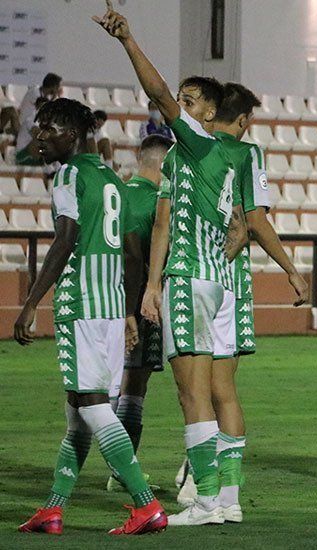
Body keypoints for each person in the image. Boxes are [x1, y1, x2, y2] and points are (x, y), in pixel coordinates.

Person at [95, 5, 250, 526]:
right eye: (180, 101)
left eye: (189, 102)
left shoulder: (200, 144)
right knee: (207, 389)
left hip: (192, 280)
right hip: (208, 279)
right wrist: (152, 284)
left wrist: (128, 41)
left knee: (190, 394)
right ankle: (227, 499)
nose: (176, 106)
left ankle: (205, 501)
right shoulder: (197, 159)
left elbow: (157, 93)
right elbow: (185, 225)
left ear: (208, 114)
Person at [13, 98, 167, 535]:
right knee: (78, 410)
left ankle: (146, 504)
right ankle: (54, 507)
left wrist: (31, 302)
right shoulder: (109, 177)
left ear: (75, 133)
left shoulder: (69, 174)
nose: (40, 136)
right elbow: (132, 253)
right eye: (39, 127)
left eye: (51, 127)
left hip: (80, 304)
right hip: (109, 306)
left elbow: (65, 240)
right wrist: (127, 311)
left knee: (91, 404)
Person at [176, 82, 310, 520]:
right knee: (222, 389)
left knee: (196, 389)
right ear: (245, 120)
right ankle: (227, 497)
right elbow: (255, 222)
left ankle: (202, 483)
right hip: (231, 281)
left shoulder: (191, 149)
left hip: (197, 270)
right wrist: (291, 269)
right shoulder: (249, 154)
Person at [104, 134, 173, 496]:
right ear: (163, 165)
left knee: (102, 389)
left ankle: (114, 466)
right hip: (136, 305)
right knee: (134, 389)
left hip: (101, 302)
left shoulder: (115, 193)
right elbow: (144, 260)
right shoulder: (158, 202)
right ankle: (122, 469)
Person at [14, 72, 62, 166]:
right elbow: (38, 134)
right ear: (53, 86)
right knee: (42, 140)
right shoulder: (34, 94)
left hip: (31, 131)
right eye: (57, 87)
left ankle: (53, 168)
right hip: (22, 127)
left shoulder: (43, 97)